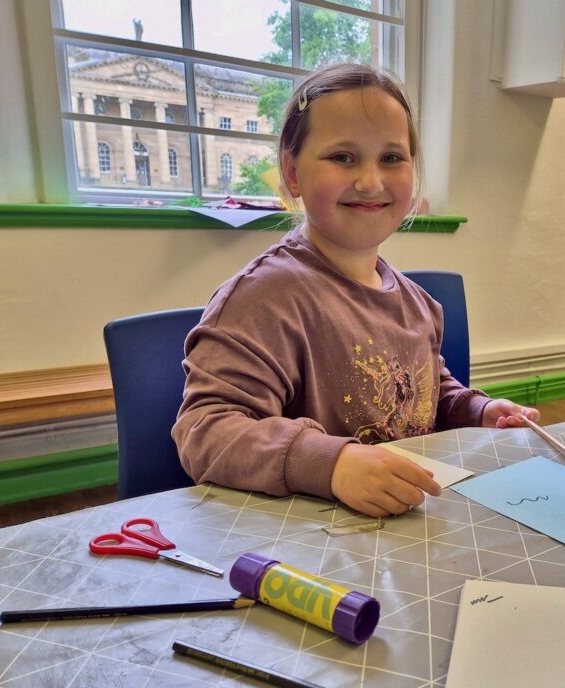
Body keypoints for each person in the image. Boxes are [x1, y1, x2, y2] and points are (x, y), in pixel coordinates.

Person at [173, 63, 540, 518]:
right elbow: (205, 432)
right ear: (292, 173)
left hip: (407, 528)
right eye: (343, 157)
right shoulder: (263, 299)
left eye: (391, 158)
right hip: (314, 548)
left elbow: (425, 396)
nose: (370, 181)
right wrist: (332, 464)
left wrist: (478, 410)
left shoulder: (417, 302)